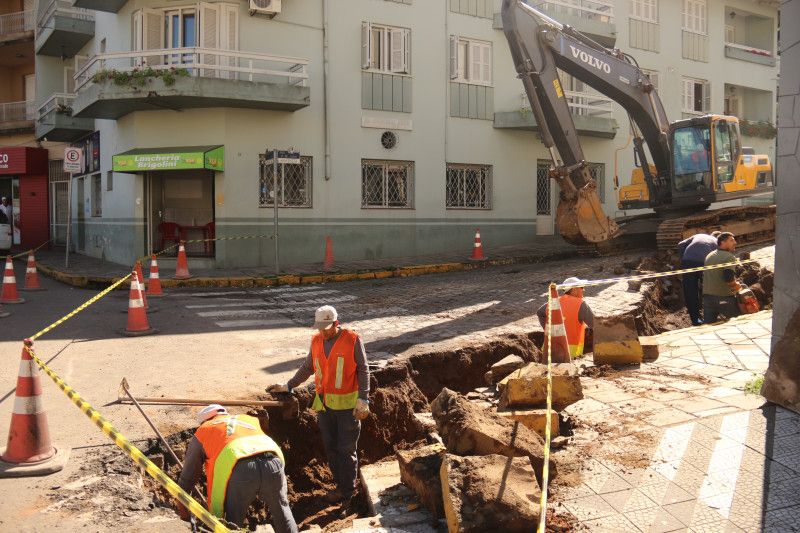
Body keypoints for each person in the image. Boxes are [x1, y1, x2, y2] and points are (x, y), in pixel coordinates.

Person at [268, 305, 370, 509]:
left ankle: (349, 494)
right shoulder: (316, 341)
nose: (324, 332)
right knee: (331, 449)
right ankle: (340, 488)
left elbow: (363, 369)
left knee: (346, 450)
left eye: (328, 327)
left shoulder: (352, 339)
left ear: (336, 323)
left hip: (348, 408)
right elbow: (308, 367)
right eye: (320, 328)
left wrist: (364, 398)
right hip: (324, 407)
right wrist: (289, 385)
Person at [177, 404, 297, 532]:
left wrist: (184, 515)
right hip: (273, 462)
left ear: (204, 421)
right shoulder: (248, 419)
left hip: (240, 470)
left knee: (231, 524)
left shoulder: (204, 429)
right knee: (282, 510)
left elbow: (187, 478)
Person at [536, 277, 594, 362]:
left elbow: (540, 312)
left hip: (548, 351)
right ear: (574, 289)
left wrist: (548, 329)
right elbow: (595, 324)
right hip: (570, 355)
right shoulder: (580, 304)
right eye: (581, 287)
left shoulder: (554, 301)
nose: (583, 290)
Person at [677, 231, 721, 325]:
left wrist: (682, 260)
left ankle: (696, 320)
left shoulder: (698, 235)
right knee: (708, 289)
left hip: (688, 261)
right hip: (704, 263)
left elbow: (680, 244)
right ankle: (710, 317)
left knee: (690, 291)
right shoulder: (717, 242)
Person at [703, 232, 741, 323]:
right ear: (722, 242)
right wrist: (737, 286)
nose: (735, 242)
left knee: (709, 326)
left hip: (707, 299)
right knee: (738, 322)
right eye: (731, 240)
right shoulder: (729, 257)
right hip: (724, 297)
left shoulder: (710, 255)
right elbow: (729, 279)